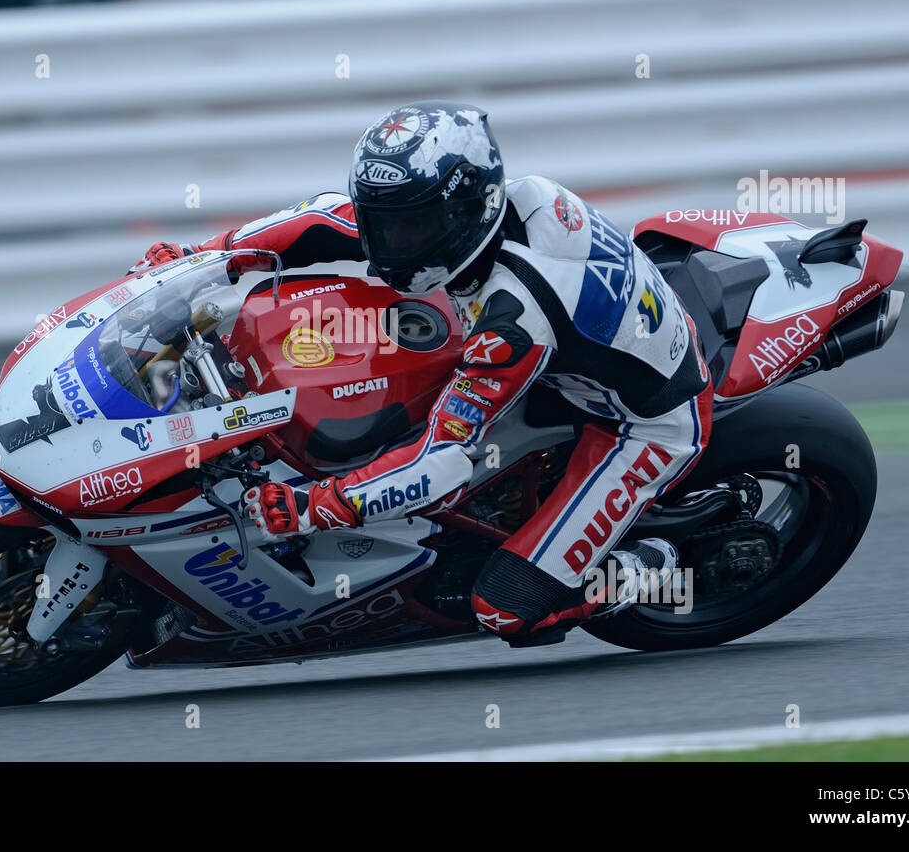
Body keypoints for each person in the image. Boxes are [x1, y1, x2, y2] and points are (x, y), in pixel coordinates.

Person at [134, 100, 713, 646]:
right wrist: (206, 258)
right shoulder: (482, 211)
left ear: (463, 213)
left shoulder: (512, 321)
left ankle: (650, 566)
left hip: (642, 423)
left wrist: (312, 508)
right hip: (573, 349)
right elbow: (321, 217)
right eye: (383, 222)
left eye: (407, 228)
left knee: (505, 610)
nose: (388, 244)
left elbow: (439, 463)